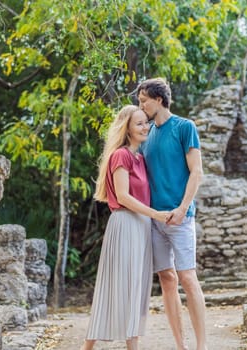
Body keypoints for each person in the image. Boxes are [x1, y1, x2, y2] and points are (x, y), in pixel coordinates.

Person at [81, 105, 171, 350]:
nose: (145, 127)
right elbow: (122, 196)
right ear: (127, 129)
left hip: (141, 226)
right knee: (117, 286)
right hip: (125, 223)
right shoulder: (120, 155)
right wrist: (156, 215)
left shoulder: (140, 158)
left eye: (146, 122)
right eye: (139, 123)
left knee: (136, 287)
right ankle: (87, 346)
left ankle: (131, 346)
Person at [137, 78, 207, 350]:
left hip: (181, 217)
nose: (141, 106)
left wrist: (182, 208)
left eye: (144, 100)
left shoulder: (184, 127)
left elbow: (197, 172)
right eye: (140, 101)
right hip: (155, 220)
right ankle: (181, 345)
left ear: (159, 99)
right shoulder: (145, 135)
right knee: (167, 279)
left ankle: (201, 346)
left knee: (188, 277)